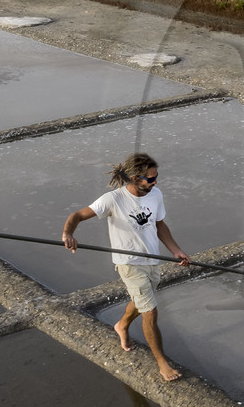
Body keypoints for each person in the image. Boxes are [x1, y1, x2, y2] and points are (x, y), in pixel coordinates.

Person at [63, 152, 190, 382]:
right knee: (149, 311)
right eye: (150, 179)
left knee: (142, 299)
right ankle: (162, 362)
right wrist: (68, 233)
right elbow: (77, 215)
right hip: (128, 263)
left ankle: (121, 325)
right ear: (134, 178)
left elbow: (159, 224)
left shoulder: (155, 194)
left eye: (156, 177)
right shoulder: (113, 199)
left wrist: (175, 250)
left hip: (152, 259)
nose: (155, 182)